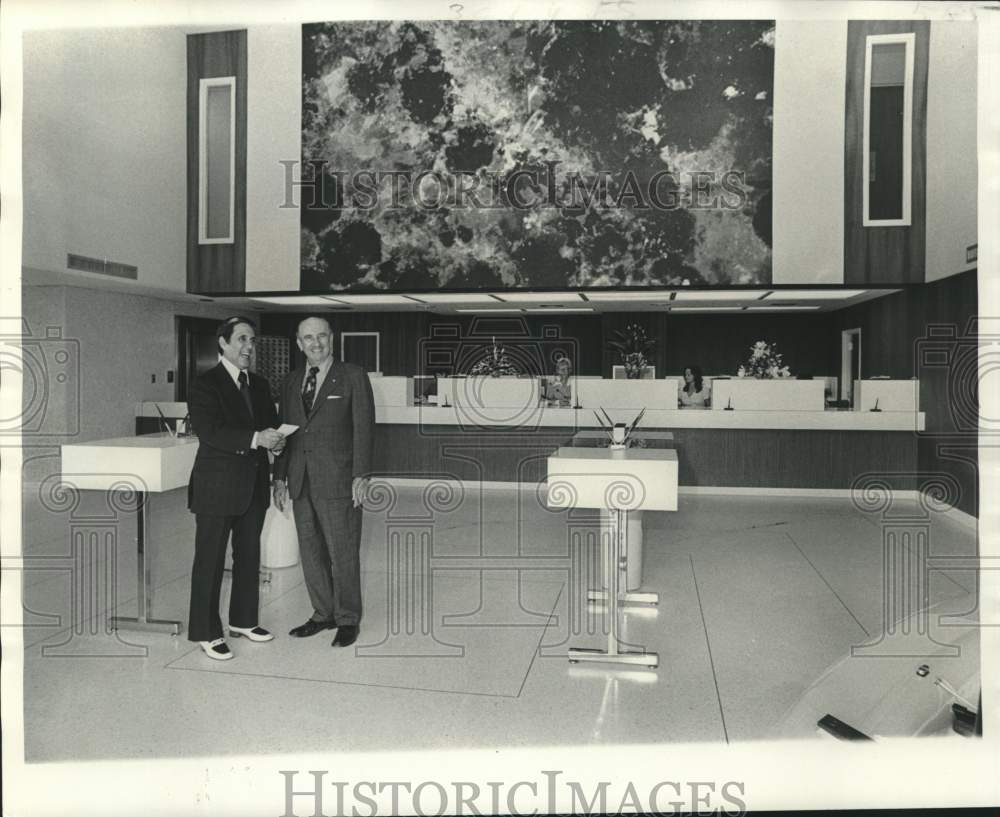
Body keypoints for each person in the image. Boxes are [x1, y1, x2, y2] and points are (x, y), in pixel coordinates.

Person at [273, 316, 375, 648]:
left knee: (342, 550)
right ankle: (322, 613)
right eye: (308, 338)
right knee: (311, 550)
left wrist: (361, 474)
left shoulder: (352, 376)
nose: (315, 343)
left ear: (331, 339)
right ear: (299, 343)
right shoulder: (290, 382)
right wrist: (278, 478)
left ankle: (347, 618)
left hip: (339, 479)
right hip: (300, 479)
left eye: (321, 336)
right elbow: (285, 434)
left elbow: (364, 428)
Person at [187, 316, 285, 660]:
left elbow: (266, 427)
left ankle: (243, 620)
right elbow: (210, 431)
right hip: (216, 486)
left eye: (252, 341)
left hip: (252, 485)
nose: (249, 347)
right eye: (242, 339)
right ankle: (206, 631)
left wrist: (275, 440)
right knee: (210, 561)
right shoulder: (205, 384)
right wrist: (256, 438)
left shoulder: (257, 384)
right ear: (223, 344)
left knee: (249, 556)